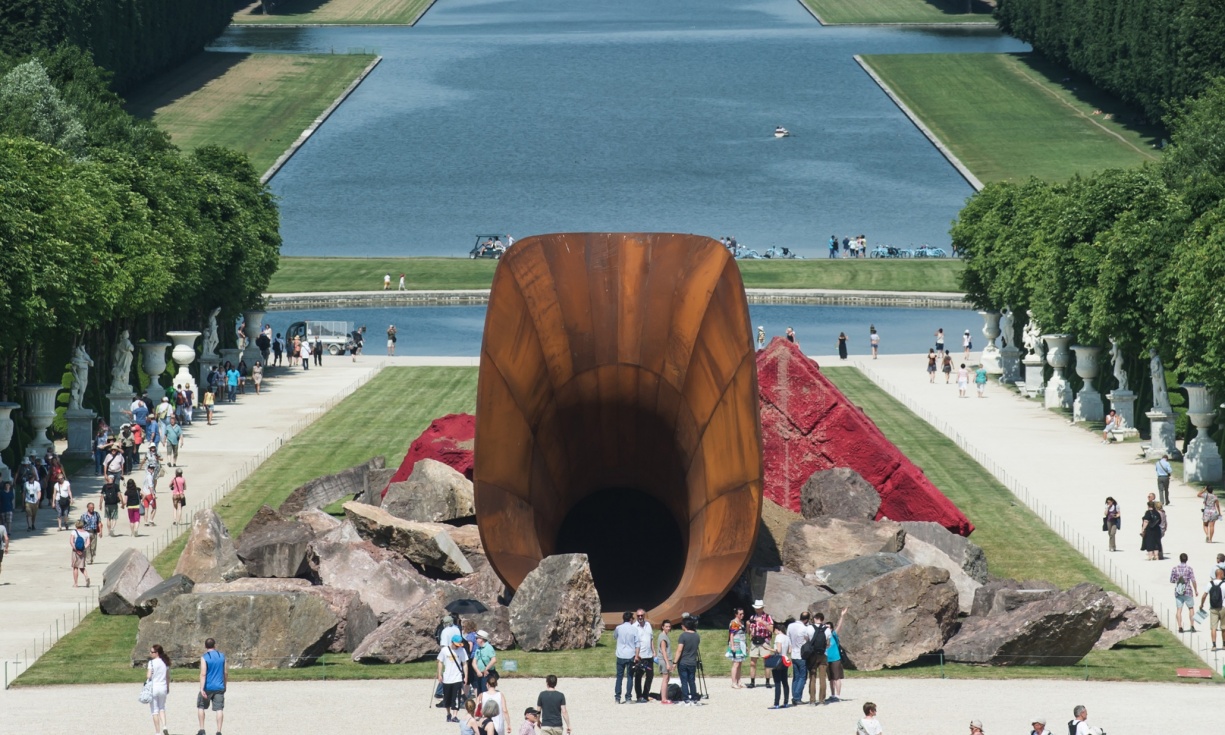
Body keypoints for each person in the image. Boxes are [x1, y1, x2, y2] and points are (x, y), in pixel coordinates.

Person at [197, 637, 227, 735]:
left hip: (207, 687)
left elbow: (203, 673)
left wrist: (201, 688)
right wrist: (225, 685)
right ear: (215, 645)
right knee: (219, 709)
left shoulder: (205, 657)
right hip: (219, 686)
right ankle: (219, 731)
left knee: (201, 706)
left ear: (205, 646)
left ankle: (202, 729)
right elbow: (225, 672)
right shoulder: (222, 656)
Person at [439, 635, 469, 723]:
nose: (457, 647)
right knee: (447, 697)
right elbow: (440, 662)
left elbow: (465, 664)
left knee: (456, 697)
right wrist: (439, 674)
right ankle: (448, 714)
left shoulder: (462, 650)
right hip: (447, 677)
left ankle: (455, 715)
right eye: (456, 645)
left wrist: (466, 676)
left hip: (457, 677)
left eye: (459, 645)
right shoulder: (444, 650)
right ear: (452, 642)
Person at [673, 616, 701, 705]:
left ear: (685, 625)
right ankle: (694, 697)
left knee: (684, 681)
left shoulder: (683, 636)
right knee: (692, 681)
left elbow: (679, 650)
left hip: (683, 662)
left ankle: (686, 698)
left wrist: (674, 662)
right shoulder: (696, 636)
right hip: (692, 661)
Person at [786, 611, 812, 705]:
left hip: (793, 653)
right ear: (806, 620)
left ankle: (795, 696)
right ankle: (797, 697)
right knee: (802, 677)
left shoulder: (790, 626)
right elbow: (808, 639)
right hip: (801, 654)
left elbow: (788, 637)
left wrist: (790, 647)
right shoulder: (805, 628)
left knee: (796, 677)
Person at [746, 600, 773, 688]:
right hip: (755, 641)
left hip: (764, 641)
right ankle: (752, 681)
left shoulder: (768, 617)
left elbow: (771, 629)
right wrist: (748, 626)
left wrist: (763, 622)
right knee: (752, 663)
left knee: (767, 663)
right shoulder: (752, 617)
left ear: (762, 608)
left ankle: (767, 681)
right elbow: (748, 632)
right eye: (756, 608)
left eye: (759, 608)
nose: (757, 610)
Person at [612, 611, 637, 703]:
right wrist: (637, 655)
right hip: (630, 654)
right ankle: (628, 697)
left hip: (620, 654)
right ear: (630, 619)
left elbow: (615, 636)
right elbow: (637, 643)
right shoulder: (634, 629)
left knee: (619, 677)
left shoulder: (618, 628)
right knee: (630, 676)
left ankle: (617, 697)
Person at [1171, 552, 1199, 632]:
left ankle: (1180, 627)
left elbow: (1172, 580)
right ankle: (1192, 625)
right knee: (1191, 608)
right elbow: (1193, 580)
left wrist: (1178, 579)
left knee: (1179, 610)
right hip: (1188, 591)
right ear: (1187, 559)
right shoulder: (1189, 568)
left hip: (1179, 591)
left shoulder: (1175, 568)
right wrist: (1196, 590)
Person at [147, 643, 171, 735]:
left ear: (157, 653)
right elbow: (167, 677)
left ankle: (158, 732)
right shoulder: (165, 662)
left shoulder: (151, 663)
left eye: (152, 652)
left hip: (154, 687)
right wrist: (168, 687)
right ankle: (164, 725)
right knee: (162, 708)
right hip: (163, 687)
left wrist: (151, 674)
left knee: (154, 711)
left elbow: (148, 676)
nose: (150, 653)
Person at [1199, 566, 1225, 650]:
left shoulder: (1210, 583)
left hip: (1213, 608)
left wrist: (1201, 604)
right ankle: (1224, 644)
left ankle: (1214, 645)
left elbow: (1204, 596)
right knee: (1223, 627)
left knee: (1213, 627)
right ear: (1220, 574)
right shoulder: (1224, 584)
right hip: (1223, 607)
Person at [825, 607, 847, 702]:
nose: (827, 629)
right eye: (826, 627)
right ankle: (833, 694)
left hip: (835, 659)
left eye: (828, 627)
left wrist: (842, 616)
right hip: (827, 659)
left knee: (837, 678)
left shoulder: (834, 634)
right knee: (831, 679)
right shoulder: (823, 636)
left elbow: (839, 626)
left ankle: (838, 695)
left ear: (831, 628)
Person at [632, 608, 654, 703]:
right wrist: (635, 655)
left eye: (642, 615)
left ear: (644, 615)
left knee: (650, 675)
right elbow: (632, 642)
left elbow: (651, 639)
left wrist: (654, 651)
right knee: (638, 676)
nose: (640, 617)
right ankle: (639, 696)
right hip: (640, 656)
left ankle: (646, 694)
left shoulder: (648, 625)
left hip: (649, 655)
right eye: (638, 616)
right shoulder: (634, 627)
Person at [767, 620, 789, 709]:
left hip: (778, 659)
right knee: (785, 682)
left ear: (777, 629)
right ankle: (786, 702)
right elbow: (789, 650)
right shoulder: (787, 637)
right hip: (785, 659)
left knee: (777, 682)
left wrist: (769, 648)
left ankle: (776, 703)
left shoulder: (778, 637)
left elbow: (778, 650)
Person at [473, 629, 498, 695]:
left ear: (482, 639)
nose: (476, 640)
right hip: (479, 673)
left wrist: (486, 669)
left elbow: (494, 660)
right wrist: (477, 671)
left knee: (486, 691)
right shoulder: (478, 648)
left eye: (477, 638)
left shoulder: (489, 647)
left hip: (487, 673)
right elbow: (474, 662)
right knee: (480, 692)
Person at [726, 608, 746, 688]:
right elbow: (731, 635)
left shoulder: (742, 622)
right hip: (736, 643)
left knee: (740, 663)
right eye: (740, 614)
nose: (742, 615)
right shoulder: (734, 622)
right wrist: (732, 646)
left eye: (743, 614)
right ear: (736, 614)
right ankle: (733, 682)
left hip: (742, 643)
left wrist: (746, 645)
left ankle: (739, 681)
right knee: (736, 663)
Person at [656, 619, 675, 702]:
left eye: (669, 626)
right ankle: (663, 698)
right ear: (662, 627)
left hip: (667, 659)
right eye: (666, 626)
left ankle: (665, 697)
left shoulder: (665, 636)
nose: (668, 628)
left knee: (667, 679)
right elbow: (663, 650)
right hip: (664, 660)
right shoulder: (663, 637)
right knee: (665, 679)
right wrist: (667, 663)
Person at [69, 519, 90, 587]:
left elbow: (71, 542)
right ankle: (86, 576)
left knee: (75, 567)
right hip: (83, 551)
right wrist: (83, 549)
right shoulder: (87, 533)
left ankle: (76, 583)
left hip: (75, 552)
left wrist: (76, 549)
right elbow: (88, 543)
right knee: (82, 566)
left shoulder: (74, 532)